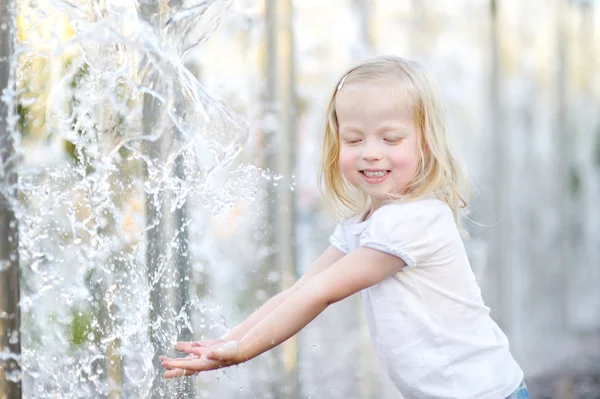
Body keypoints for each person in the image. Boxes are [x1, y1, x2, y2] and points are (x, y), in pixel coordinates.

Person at [160, 56, 529, 399]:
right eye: (354, 139)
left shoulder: (417, 219)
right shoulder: (363, 223)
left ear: (427, 144)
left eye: (391, 139)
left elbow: (322, 293)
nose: (370, 151)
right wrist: (229, 339)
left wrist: (242, 351)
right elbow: (301, 290)